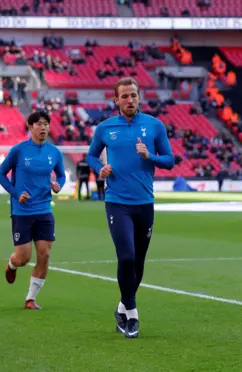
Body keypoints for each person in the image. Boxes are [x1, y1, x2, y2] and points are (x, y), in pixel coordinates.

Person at [87, 77, 174, 338]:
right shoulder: (105, 128)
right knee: (126, 256)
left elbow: (170, 160)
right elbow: (91, 155)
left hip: (144, 203)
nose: (130, 100)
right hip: (117, 202)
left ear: (139, 97)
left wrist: (150, 156)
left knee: (138, 262)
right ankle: (133, 314)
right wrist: (98, 168)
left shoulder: (154, 126)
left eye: (133, 95)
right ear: (116, 100)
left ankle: (122, 307)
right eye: (124, 96)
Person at [0, 111, 66, 310]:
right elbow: (1, 174)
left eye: (46, 124)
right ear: (30, 127)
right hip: (22, 211)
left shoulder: (54, 152)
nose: (43, 127)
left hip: (44, 209)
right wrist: (16, 193)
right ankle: (12, 264)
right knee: (23, 257)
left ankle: (30, 299)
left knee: (44, 255)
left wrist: (58, 185)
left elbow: (61, 175)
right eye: (39, 124)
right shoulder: (19, 150)